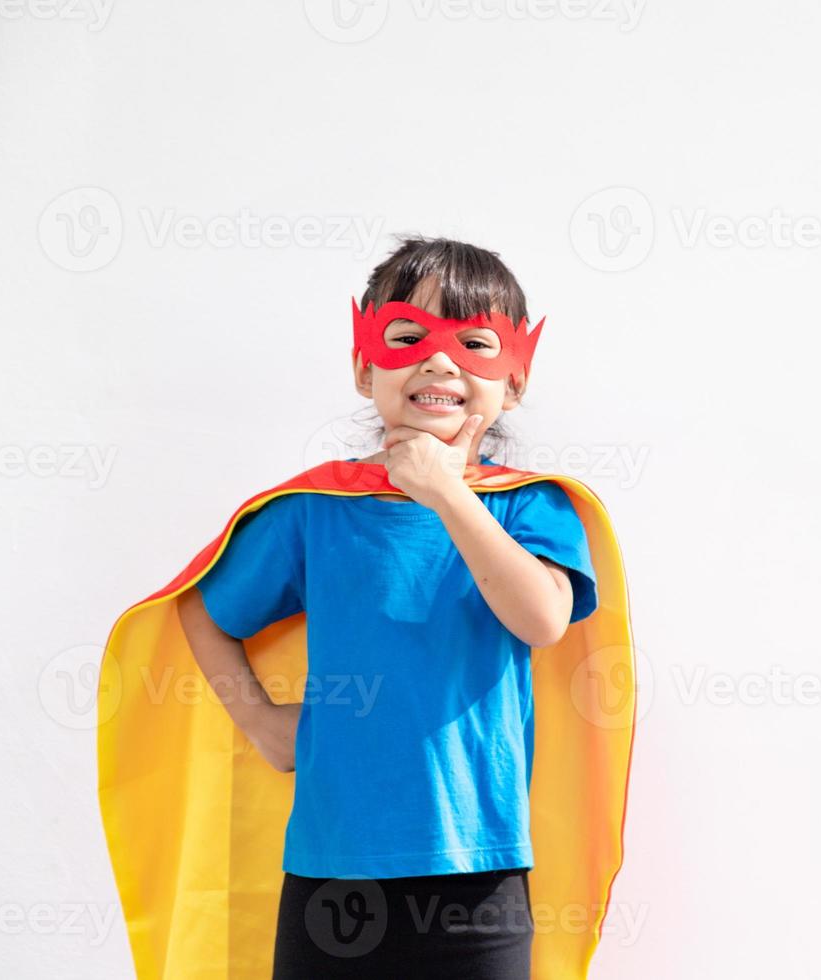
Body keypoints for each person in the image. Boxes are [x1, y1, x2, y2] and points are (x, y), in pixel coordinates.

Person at [97, 236, 634, 980]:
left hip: (479, 871)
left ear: (512, 382)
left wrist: (446, 491)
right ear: (363, 367)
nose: (440, 362)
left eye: (474, 344)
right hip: (332, 869)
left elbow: (541, 618)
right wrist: (260, 722)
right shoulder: (315, 511)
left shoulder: (530, 508)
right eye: (408, 338)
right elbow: (204, 611)